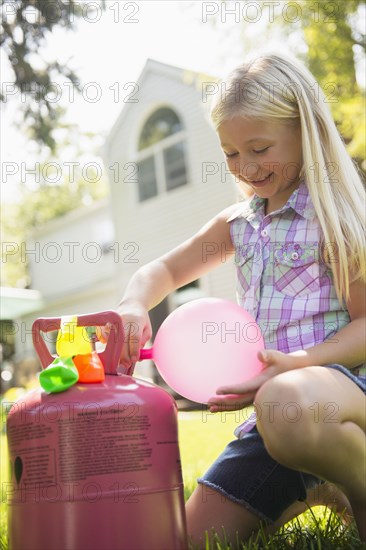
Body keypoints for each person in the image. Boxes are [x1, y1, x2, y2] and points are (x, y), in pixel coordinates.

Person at [115, 53, 366, 545]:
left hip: (343, 397)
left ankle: (355, 480)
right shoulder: (240, 225)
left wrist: (296, 363)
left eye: (259, 147)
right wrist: (133, 302)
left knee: (283, 401)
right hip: (276, 421)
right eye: (231, 154)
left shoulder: (333, 217)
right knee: (185, 540)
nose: (246, 167)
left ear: (305, 131)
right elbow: (164, 268)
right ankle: (318, 481)